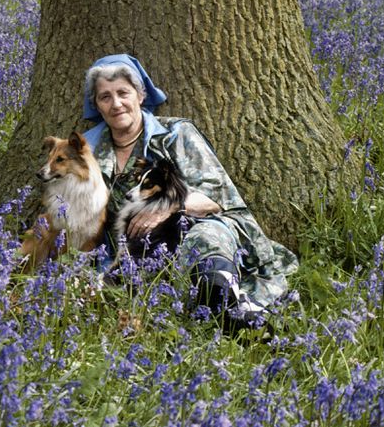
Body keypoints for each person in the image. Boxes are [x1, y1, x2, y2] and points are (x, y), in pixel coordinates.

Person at [80, 53, 298, 329]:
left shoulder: (175, 134)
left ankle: (226, 307)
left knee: (205, 237)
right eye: (105, 97)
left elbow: (215, 198)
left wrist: (168, 207)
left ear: (141, 95)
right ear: (97, 105)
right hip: (136, 253)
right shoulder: (87, 151)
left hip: (191, 227)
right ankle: (221, 313)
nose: (116, 104)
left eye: (123, 93)